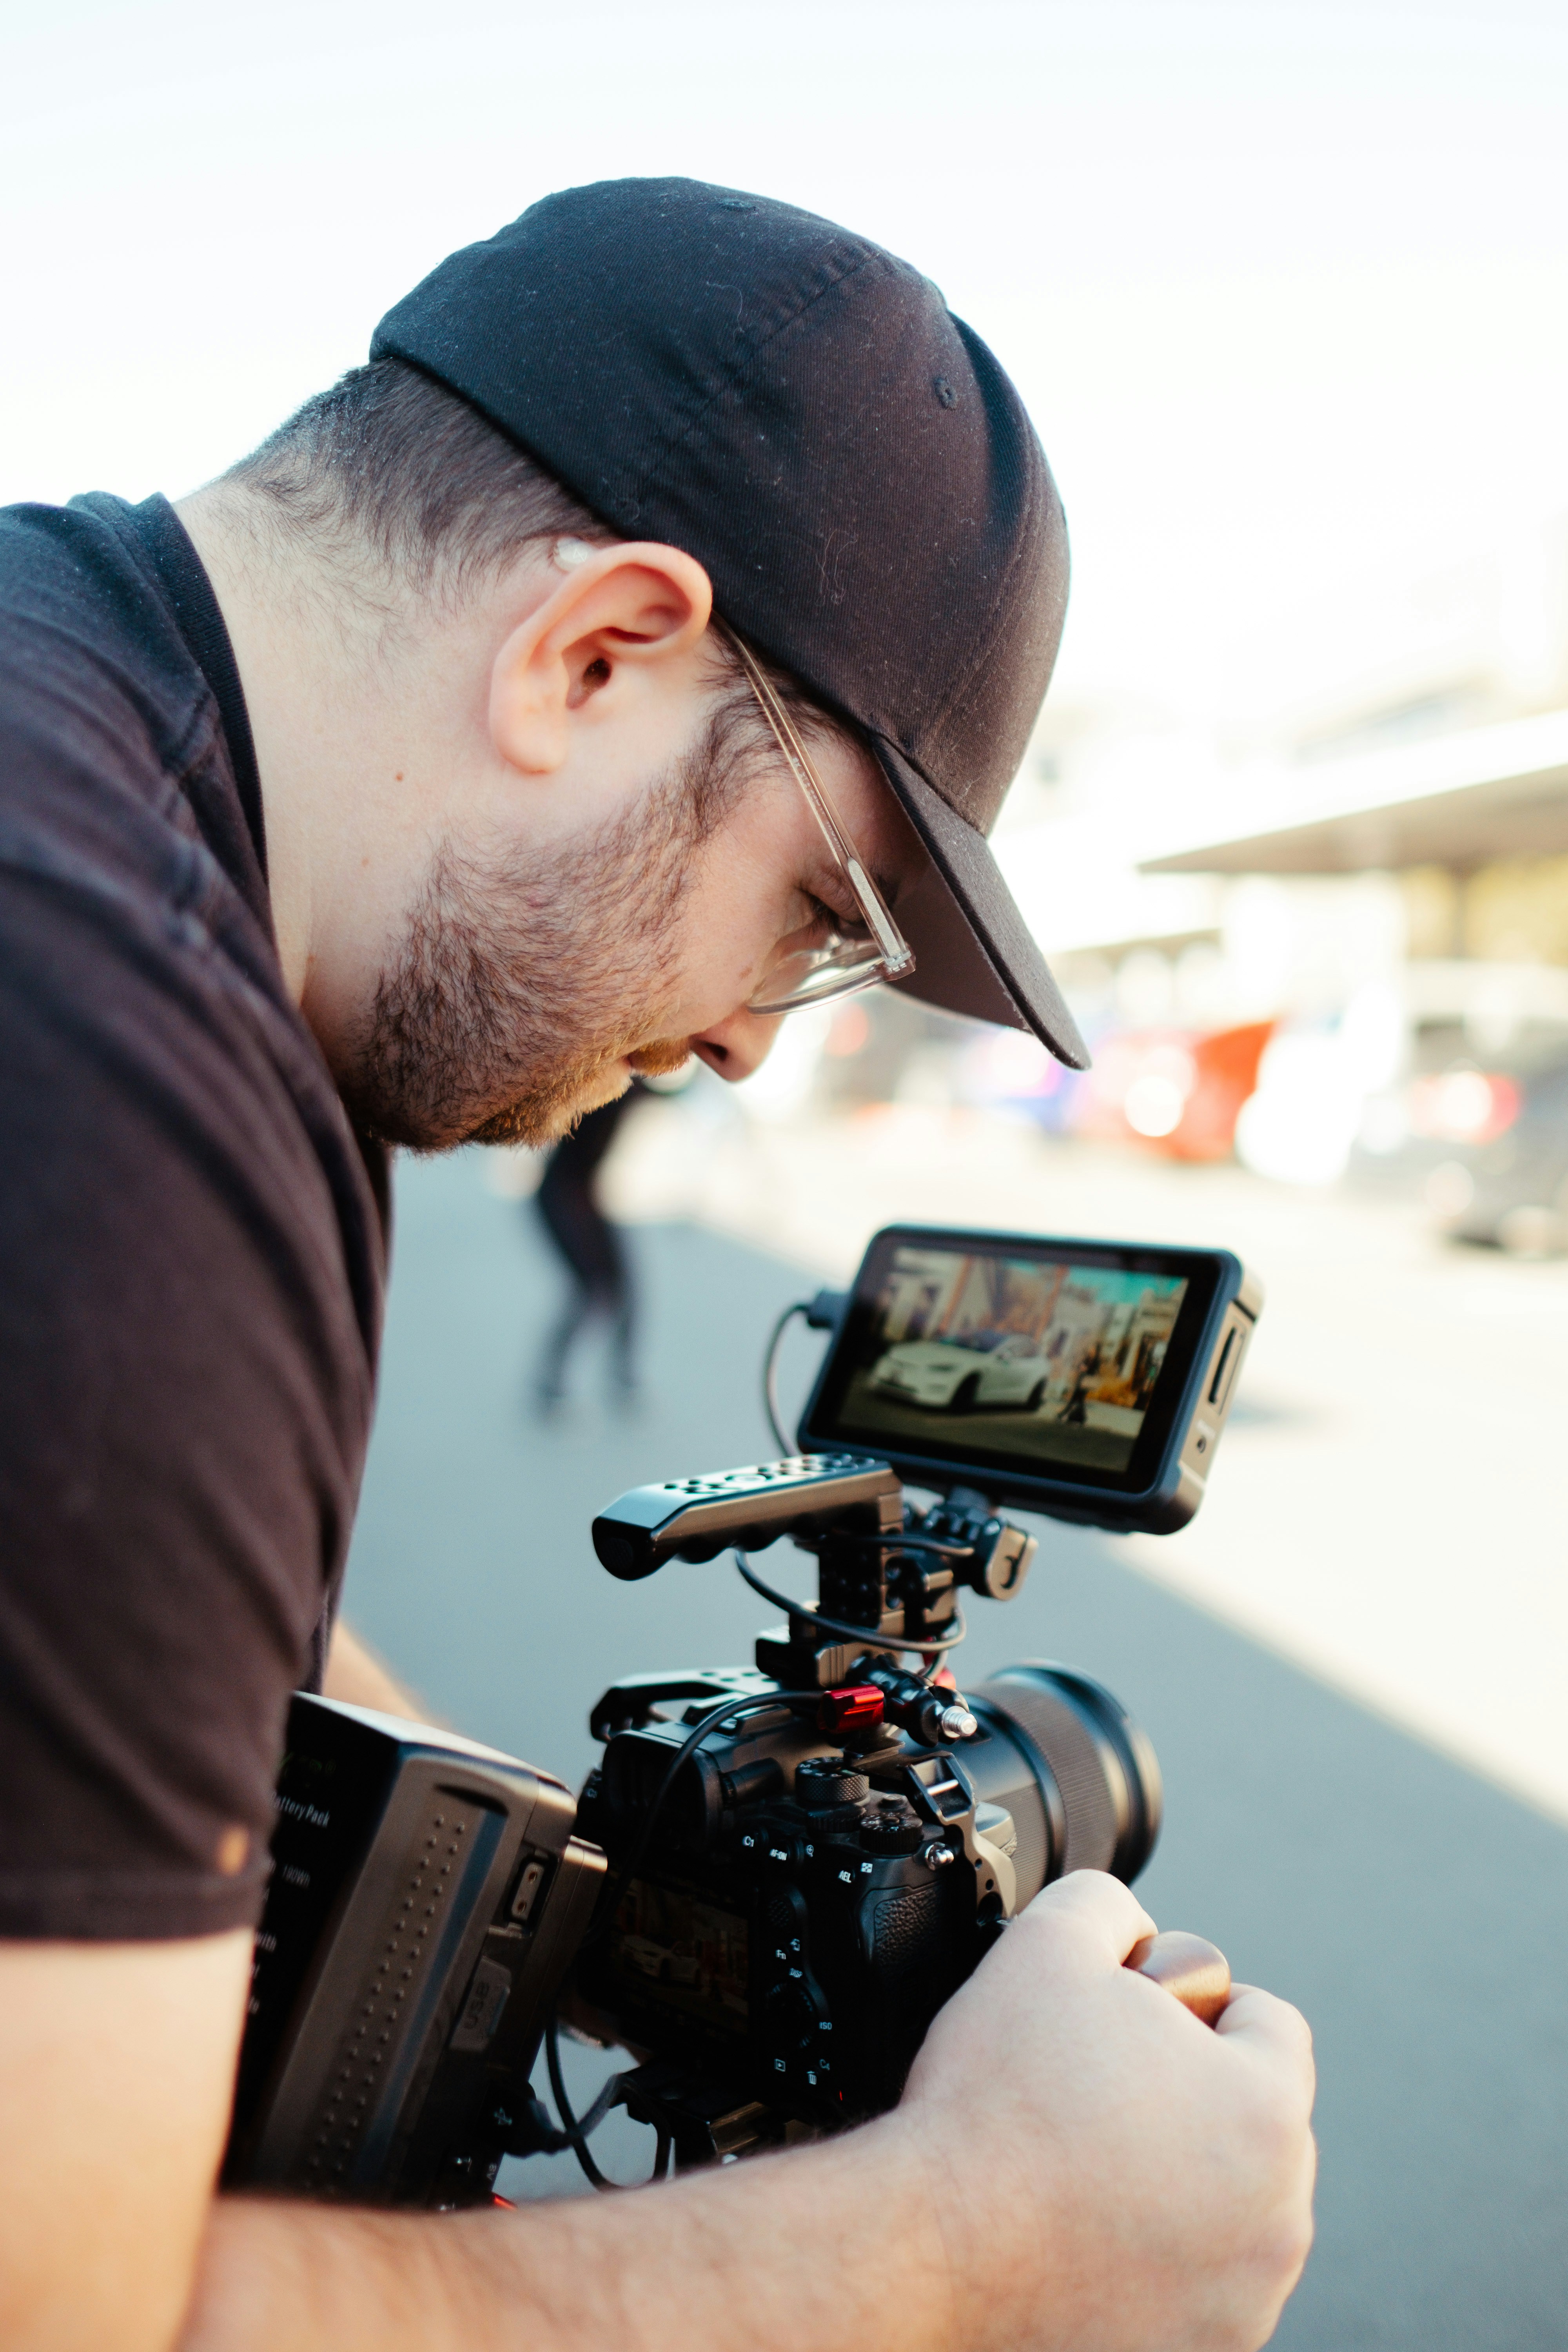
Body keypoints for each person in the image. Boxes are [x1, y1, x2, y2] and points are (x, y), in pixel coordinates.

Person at [0, 179, 1315, 2352]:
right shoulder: (106, 1070)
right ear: (593, 647)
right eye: (824, 917)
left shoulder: (84, 736)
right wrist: (980, 2231)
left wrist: (593, 1891)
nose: (737, 1040)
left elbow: (115, 1593)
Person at [531, 1086, 644, 1411]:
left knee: (625, 1288)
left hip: (586, 1195)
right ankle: (549, 1386)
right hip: (561, 1196)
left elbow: (667, 1093)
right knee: (591, 1291)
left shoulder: (632, 1083)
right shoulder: (610, 1085)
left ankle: (623, 1379)